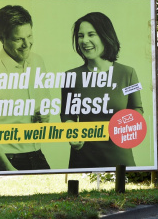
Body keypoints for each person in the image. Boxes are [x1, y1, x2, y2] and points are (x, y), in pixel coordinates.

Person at [0, 5, 50, 171]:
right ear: (2, 38)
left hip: (37, 154)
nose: (26, 44)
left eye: (29, 36)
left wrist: (43, 116)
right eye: (18, 39)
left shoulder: (38, 62)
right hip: (6, 160)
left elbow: (44, 112)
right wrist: (8, 169)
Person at [60, 12, 143, 168]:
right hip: (82, 159)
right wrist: (71, 132)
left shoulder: (128, 73)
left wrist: (123, 129)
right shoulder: (70, 76)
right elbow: (67, 114)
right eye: (80, 36)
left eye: (91, 34)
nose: (85, 41)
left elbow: (137, 109)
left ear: (106, 36)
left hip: (120, 158)